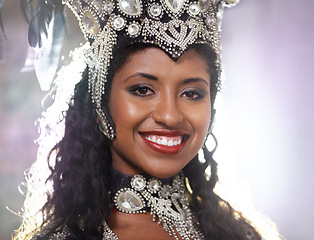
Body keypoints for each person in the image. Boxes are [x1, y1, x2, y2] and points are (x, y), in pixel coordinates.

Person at [13, 0, 282, 239]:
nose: (170, 116)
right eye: (142, 90)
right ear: (99, 102)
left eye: (191, 93)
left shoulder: (238, 234)